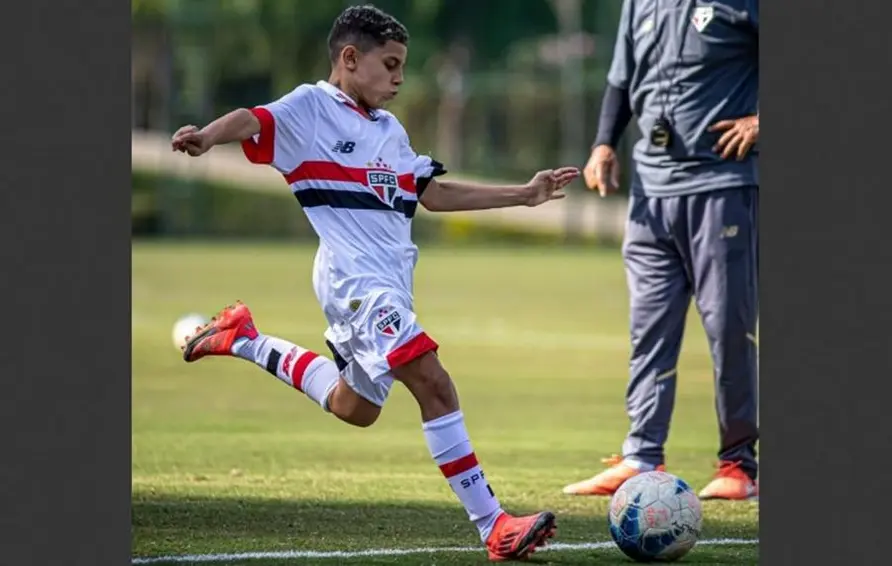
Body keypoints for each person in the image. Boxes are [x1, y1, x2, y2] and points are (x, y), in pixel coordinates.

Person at [170, 4, 579, 561]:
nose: (399, 78)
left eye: (402, 66)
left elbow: (433, 194)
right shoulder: (311, 107)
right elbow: (253, 119)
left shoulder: (389, 131)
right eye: (390, 64)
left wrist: (524, 194)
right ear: (349, 58)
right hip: (355, 283)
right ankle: (494, 525)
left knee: (354, 408)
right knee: (433, 382)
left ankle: (244, 338)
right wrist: (208, 137)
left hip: (386, 284)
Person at [563, 0, 759, 501]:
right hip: (651, 193)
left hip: (723, 184)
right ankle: (641, 455)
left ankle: (739, 463)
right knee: (648, 327)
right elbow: (621, 80)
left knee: (728, 327)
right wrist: (603, 144)